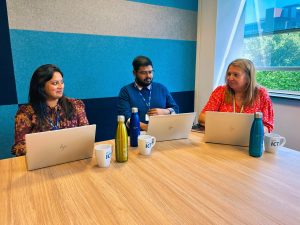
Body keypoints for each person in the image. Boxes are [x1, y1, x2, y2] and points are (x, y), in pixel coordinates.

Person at [12, 64, 89, 156]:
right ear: (41, 86)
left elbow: (86, 135)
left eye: (62, 82)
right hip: (43, 161)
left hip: (72, 157)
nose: (61, 87)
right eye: (55, 83)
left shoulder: (75, 105)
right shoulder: (26, 112)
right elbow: (19, 147)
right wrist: (49, 149)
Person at [198, 58, 274, 133]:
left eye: (236, 75)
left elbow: (267, 126)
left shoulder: (261, 94)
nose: (230, 78)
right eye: (229, 74)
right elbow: (202, 117)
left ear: (248, 78)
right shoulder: (220, 91)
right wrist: (228, 125)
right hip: (222, 136)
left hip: (249, 140)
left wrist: (250, 131)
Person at [117, 56, 179, 131]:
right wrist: (147, 127)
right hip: (136, 136)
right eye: (143, 73)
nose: (148, 76)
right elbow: (126, 117)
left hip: (162, 133)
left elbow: (176, 109)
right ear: (134, 73)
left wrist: (165, 111)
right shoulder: (126, 91)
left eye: (150, 72)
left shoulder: (161, 88)